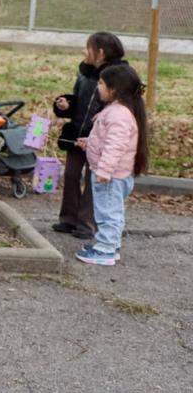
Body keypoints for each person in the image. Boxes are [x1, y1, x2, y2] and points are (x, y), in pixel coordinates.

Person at [52, 32, 127, 240]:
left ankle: (87, 224)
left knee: (93, 180)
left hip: (99, 136)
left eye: (88, 48)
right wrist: (67, 104)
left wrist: (100, 130)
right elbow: (78, 100)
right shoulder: (84, 73)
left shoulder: (117, 76)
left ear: (100, 52)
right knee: (71, 175)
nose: (85, 52)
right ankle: (68, 219)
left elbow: (119, 108)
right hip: (77, 132)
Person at [74, 64, 148, 266]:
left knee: (108, 213)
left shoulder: (118, 114)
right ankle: (109, 245)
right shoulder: (116, 111)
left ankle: (106, 249)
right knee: (110, 210)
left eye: (101, 83)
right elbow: (107, 140)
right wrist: (89, 143)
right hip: (113, 174)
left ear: (113, 89)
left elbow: (115, 146)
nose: (98, 87)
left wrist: (104, 170)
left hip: (110, 176)